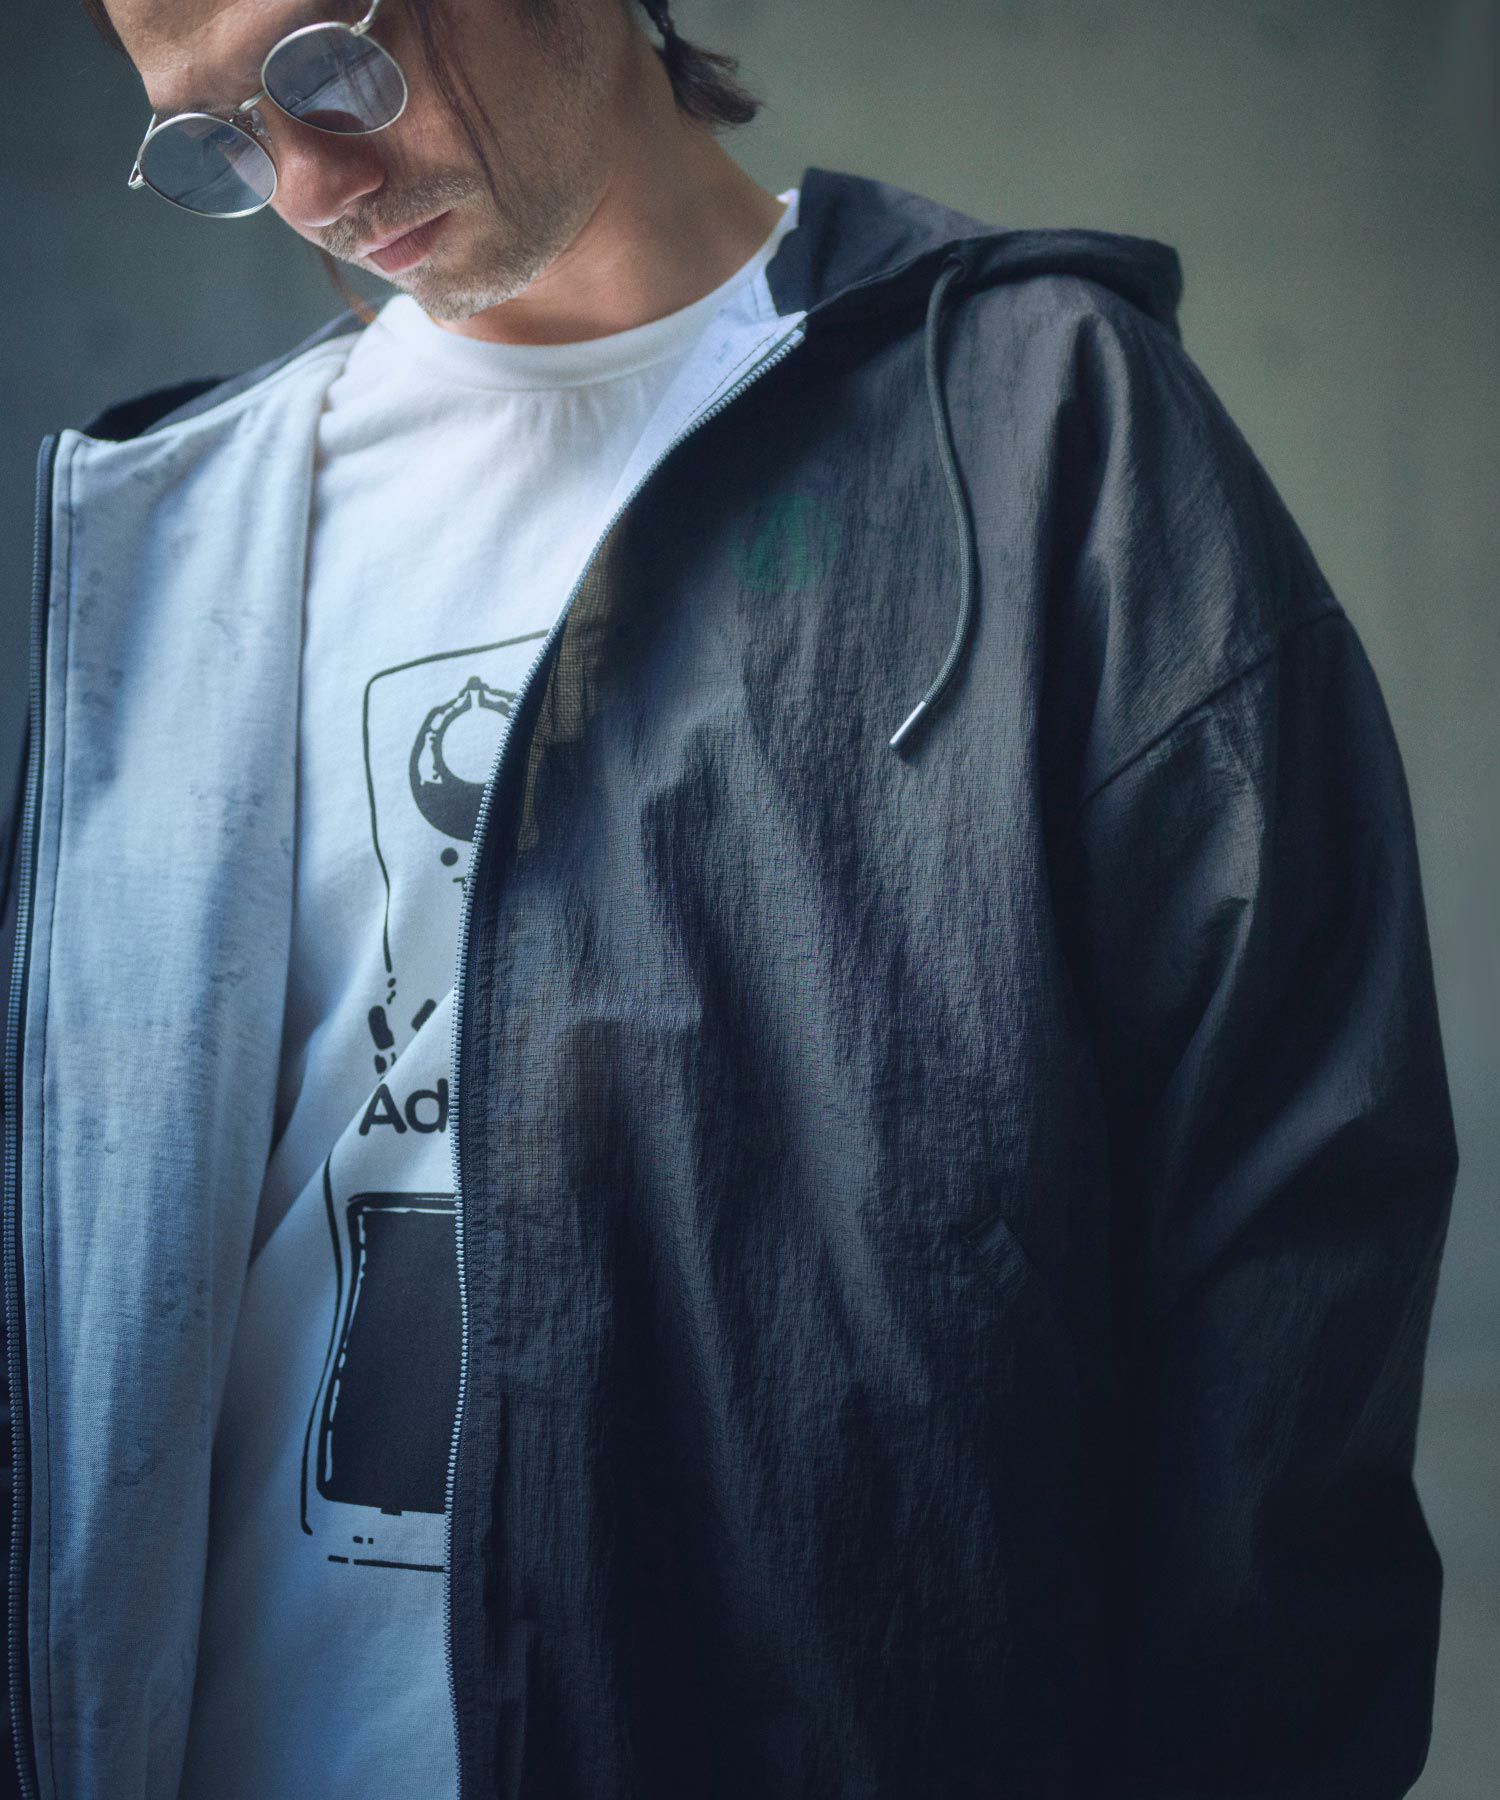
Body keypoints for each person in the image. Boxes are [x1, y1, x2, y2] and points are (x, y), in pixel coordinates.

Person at [0, 1, 1461, 1796]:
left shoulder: (1038, 425)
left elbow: (1291, 1247)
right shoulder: (178, 533)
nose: (309, 184)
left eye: (327, 63)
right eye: (221, 135)